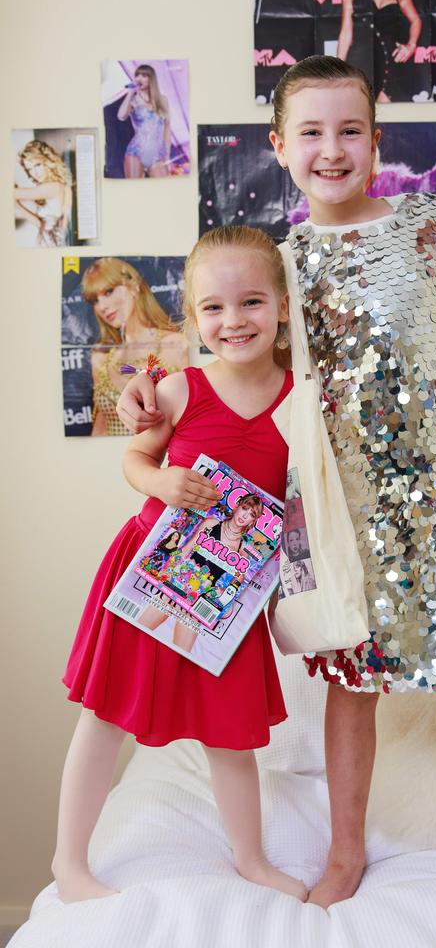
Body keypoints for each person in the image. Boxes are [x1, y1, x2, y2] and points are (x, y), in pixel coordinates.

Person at [117, 55, 436, 907]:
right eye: (311, 133)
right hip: (342, 509)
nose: (331, 149)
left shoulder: (426, 223)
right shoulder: (280, 266)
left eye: (349, 130)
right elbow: (225, 350)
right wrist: (146, 383)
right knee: (353, 681)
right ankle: (346, 852)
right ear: (281, 148)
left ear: (375, 140)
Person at [53, 225, 307, 905]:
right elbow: (135, 460)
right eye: (214, 308)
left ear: (282, 306)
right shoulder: (180, 391)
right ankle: (69, 865)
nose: (234, 321)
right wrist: (160, 482)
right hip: (152, 571)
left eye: (251, 302)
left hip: (228, 590)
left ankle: (249, 857)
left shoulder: (301, 400)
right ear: (193, 319)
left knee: (231, 733)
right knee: (105, 716)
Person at [140, 494, 265, 654]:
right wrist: (167, 569)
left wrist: (222, 592)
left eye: (251, 514)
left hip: (201, 599)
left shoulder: (243, 550)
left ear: (253, 521)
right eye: (245, 508)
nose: (245, 515)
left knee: (181, 654)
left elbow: (237, 581)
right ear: (237, 506)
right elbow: (187, 549)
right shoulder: (212, 523)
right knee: (139, 628)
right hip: (178, 582)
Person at [81, 257, 189, 436]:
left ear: (134, 286)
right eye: (94, 300)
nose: (102, 307)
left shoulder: (178, 346)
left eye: (108, 292)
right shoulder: (101, 358)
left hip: (166, 459)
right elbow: (100, 427)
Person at [337, 0, 421, 103]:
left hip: (391, 66)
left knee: (389, 121)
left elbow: (416, 20)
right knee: (359, 116)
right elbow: (346, 31)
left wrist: (411, 45)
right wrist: (337, 67)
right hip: (359, 62)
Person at [14, 139, 72, 246]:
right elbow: (41, 224)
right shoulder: (55, 184)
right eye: (29, 169)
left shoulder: (52, 187)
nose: (34, 173)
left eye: (37, 165)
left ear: (47, 161)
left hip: (53, 245)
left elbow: (11, 193)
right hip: (46, 242)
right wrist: (17, 205)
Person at [116, 64, 171, 177]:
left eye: (144, 75)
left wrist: (167, 155)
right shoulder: (133, 101)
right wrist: (130, 92)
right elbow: (121, 116)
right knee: (134, 190)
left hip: (158, 155)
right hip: (136, 152)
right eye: (137, 75)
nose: (139, 79)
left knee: (164, 188)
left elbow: (167, 129)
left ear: (151, 79)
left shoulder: (163, 100)